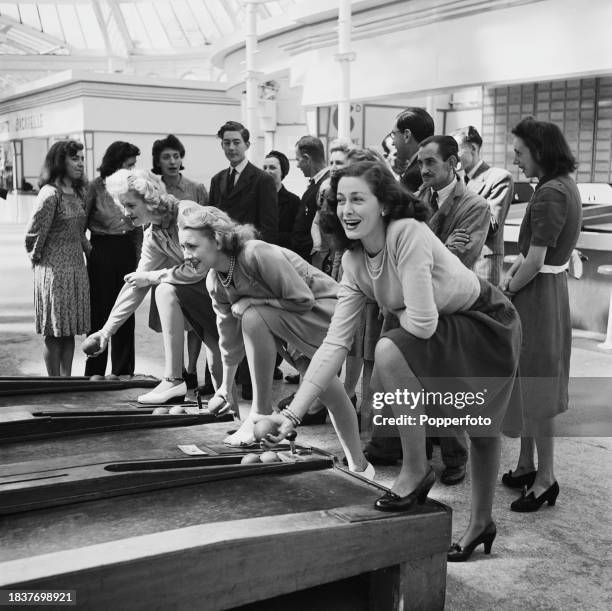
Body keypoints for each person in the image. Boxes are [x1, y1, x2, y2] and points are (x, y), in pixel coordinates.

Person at [265, 161, 522, 562]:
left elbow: (420, 323)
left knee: (477, 423)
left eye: (358, 199)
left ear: (383, 204)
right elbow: (334, 343)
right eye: (340, 201)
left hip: (486, 319)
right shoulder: (354, 261)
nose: (346, 209)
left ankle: (460, 506)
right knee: (448, 402)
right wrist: (293, 414)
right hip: (444, 325)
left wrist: (392, 310)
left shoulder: (407, 233)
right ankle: (433, 483)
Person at [177, 205, 373, 482]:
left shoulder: (255, 253)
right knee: (331, 392)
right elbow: (229, 341)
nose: (186, 255)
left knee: (253, 315)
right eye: (183, 247)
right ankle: (361, 467)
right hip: (284, 325)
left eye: (191, 246)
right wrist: (224, 387)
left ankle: (260, 411)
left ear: (217, 239)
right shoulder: (215, 280)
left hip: (321, 313)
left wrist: (255, 301)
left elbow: (302, 299)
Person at [83, 169, 224, 405]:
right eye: (123, 207)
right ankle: (174, 379)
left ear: (149, 198)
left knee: (289, 348)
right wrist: (106, 331)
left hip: (234, 291)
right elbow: (135, 284)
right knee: (219, 366)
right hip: (210, 297)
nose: (126, 214)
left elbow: (197, 269)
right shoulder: (154, 234)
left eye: (130, 205)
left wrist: (152, 277)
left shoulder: (186, 213)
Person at [501, 117, 582, 512]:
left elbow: (534, 260)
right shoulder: (561, 185)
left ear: (539, 150)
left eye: (519, 152)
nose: (516, 160)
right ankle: (525, 464)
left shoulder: (551, 193)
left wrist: (507, 290)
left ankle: (545, 477)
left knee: (538, 386)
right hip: (548, 292)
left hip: (538, 296)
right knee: (530, 381)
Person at [209, 121, 279, 399]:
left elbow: (269, 228)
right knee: (226, 323)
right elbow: (211, 223)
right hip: (223, 264)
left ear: (247, 145)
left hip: (249, 262)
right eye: (226, 142)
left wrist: (257, 262)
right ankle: (227, 384)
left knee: (252, 322)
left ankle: (254, 386)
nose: (231, 147)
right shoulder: (217, 180)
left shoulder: (261, 180)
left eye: (237, 142)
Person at [25, 140, 90, 376]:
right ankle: (54, 382)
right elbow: (33, 234)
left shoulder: (78, 193)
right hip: (54, 272)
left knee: (68, 330)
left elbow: (79, 232)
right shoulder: (50, 194)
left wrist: (91, 253)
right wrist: (39, 263)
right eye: (75, 158)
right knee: (54, 333)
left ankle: (67, 380)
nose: (80, 163)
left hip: (76, 270)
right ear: (59, 162)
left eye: (82, 158)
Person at [151, 134, 209, 391]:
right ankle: (173, 368)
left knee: (195, 323)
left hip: (192, 262)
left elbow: (207, 225)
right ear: (158, 161)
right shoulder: (154, 189)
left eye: (176, 156)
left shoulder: (195, 188)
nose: (173, 161)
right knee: (172, 318)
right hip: (166, 261)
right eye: (166, 157)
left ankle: (190, 369)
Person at [84, 141, 142, 379]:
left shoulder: (131, 186)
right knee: (100, 312)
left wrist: (138, 257)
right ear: (116, 163)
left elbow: (138, 223)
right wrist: (92, 252)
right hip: (102, 249)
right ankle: (94, 371)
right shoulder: (95, 188)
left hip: (126, 249)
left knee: (126, 310)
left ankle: (123, 372)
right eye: (129, 164)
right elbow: (80, 226)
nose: (133, 168)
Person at [454, 126, 514, 285]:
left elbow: (492, 225)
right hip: (458, 262)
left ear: (472, 148)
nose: (452, 156)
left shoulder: (499, 177)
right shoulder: (458, 181)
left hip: (482, 263)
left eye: (456, 150)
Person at [292, 136, 329, 262]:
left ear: (307, 158)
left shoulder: (325, 186)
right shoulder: (316, 184)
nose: (297, 165)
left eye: (298, 160)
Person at [391, 107, 435, 193]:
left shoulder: (414, 175)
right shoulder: (435, 166)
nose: (393, 142)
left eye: (394, 134)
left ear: (407, 135)